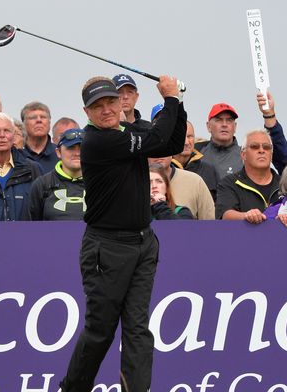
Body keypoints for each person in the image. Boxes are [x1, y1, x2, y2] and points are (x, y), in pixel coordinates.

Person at [59, 74, 186, 392]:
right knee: (100, 330)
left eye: (110, 102)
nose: (106, 110)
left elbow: (170, 143)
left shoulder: (126, 132)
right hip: (107, 248)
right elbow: (157, 141)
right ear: (87, 112)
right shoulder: (97, 141)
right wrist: (170, 98)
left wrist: (177, 104)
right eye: (97, 106)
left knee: (138, 329)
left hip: (144, 242)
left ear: (121, 103)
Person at [215, 129, 280, 224]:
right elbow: (225, 215)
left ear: (271, 154)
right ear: (243, 154)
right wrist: (246, 215)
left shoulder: (285, 184)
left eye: (266, 147)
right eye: (255, 147)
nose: (261, 150)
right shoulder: (229, 183)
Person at [28, 128, 86, 221]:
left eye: (82, 148)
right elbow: (32, 226)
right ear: (58, 152)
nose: (77, 153)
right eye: (71, 148)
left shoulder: (100, 184)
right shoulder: (42, 185)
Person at [148, 155, 214, 220]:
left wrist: (160, 204)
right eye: (149, 182)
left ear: (167, 187)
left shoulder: (195, 180)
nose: (154, 186)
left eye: (159, 181)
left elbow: (209, 224)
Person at [171, 120, 219, 200]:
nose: (186, 142)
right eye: (181, 137)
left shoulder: (209, 170)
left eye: (190, 136)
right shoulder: (164, 169)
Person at [194, 102, 242, 179]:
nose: (224, 124)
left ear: (235, 127)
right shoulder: (196, 153)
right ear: (208, 126)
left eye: (229, 120)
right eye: (219, 120)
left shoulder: (245, 155)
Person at [20, 101, 58, 174]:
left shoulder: (60, 154)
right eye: (33, 117)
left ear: (49, 122)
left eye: (43, 117)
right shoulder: (16, 154)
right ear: (23, 124)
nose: (39, 120)